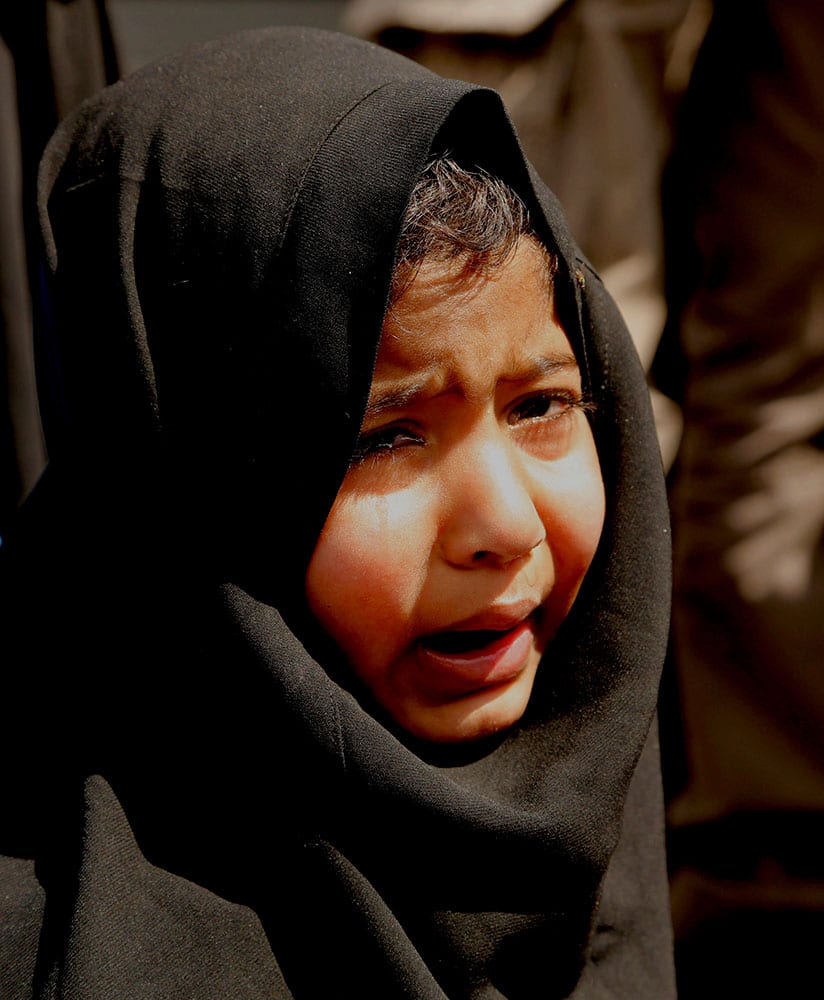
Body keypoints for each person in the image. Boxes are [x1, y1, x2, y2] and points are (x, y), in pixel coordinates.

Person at [0, 27, 673, 998]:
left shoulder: (583, 825)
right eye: (383, 436)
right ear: (197, 484)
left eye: (541, 406)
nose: (506, 526)